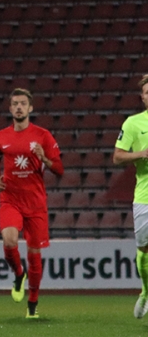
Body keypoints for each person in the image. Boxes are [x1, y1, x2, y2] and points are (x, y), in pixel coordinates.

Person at [0, 88, 63, 320]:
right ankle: (18, 273)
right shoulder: (0, 136)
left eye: (23, 103)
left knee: (34, 253)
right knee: (9, 240)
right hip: (10, 199)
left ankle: (33, 303)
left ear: (30, 108)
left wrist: (44, 158)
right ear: (10, 108)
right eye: (15, 104)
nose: (19, 107)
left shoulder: (43, 135)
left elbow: (59, 169)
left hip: (35, 203)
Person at [114, 74, 148, 320]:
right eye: (147, 92)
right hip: (145, 196)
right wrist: (141, 154)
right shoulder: (133, 123)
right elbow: (117, 156)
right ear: (142, 97)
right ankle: (146, 291)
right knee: (144, 249)